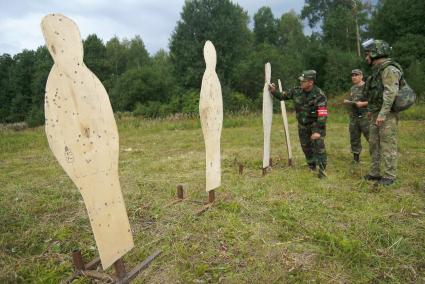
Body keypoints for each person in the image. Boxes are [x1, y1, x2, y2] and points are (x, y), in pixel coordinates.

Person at [269, 70, 328, 178]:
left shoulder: (319, 94)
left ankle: (322, 170)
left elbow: (322, 114)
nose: (301, 83)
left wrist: (317, 131)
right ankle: (311, 166)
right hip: (302, 125)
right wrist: (273, 91)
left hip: (315, 124)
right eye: (300, 80)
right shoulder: (296, 91)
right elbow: (283, 96)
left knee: (318, 146)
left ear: (310, 82)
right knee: (306, 146)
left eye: (303, 81)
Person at [361, 39, 402, 186]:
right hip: (377, 113)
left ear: (375, 53)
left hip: (387, 114)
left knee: (387, 144)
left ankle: (389, 176)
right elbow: (375, 94)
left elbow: (390, 94)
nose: (366, 58)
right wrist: (372, 111)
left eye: (367, 54)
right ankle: (375, 173)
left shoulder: (389, 69)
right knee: (374, 144)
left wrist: (382, 114)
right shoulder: (378, 70)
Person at [343, 69, 369, 163]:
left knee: (371, 138)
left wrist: (363, 104)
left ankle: (378, 157)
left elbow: (375, 101)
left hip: (366, 117)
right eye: (352, 75)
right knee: (354, 138)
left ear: (361, 76)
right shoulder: (353, 88)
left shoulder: (367, 87)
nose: (354, 77)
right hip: (354, 117)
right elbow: (353, 100)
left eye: (356, 75)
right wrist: (348, 102)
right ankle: (356, 159)